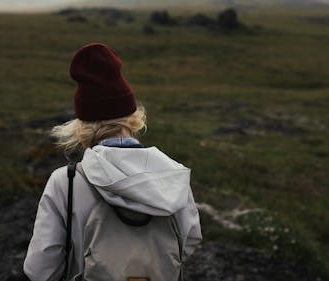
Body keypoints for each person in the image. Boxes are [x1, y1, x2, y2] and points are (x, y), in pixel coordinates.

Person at [23, 43, 202, 281]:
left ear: (83, 125)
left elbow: (41, 270)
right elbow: (188, 242)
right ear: (134, 118)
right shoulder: (172, 175)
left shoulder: (66, 182)